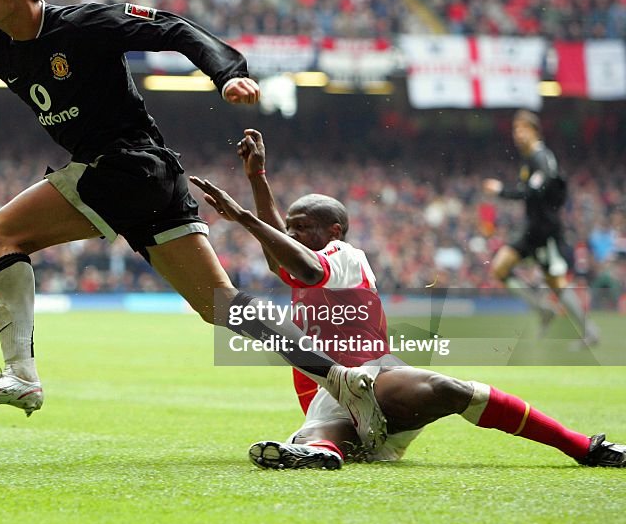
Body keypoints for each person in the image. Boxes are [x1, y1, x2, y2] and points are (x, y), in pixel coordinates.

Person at [0, 0, 387, 450]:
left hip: (126, 166)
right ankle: (343, 379)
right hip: (150, 177)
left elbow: (172, 28)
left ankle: (21, 375)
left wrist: (226, 74)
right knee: (221, 305)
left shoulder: (85, 24)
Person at [190, 129, 625, 470]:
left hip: (373, 377)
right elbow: (280, 251)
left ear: (334, 232)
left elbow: (298, 262)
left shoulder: (344, 257)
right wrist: (256, 179)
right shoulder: (305, 257)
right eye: (291, 226)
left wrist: (245, 217)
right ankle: (319, 451)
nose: (294, 234)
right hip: (326, 389)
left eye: (302, 227)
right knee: (326, 430)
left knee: (453, 390)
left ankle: (583, 447)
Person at [482, 109, 600, 346]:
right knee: (499, 268)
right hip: (532, 229)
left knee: (556, 283)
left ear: (534, 131)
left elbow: (537, 191)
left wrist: (501, 191)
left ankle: (590, 332)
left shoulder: (542, 157)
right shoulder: (531, 159)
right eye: (515, 130)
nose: (517, 134)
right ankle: (543, 309)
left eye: (521, 129)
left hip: (545, 231)